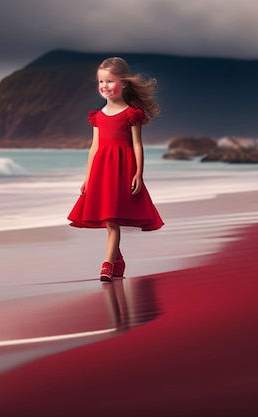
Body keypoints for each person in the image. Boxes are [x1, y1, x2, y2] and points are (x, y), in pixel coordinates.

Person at [68, 57, 164, 281]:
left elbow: (138, 145)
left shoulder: (132, 114)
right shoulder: (98, 116)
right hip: (102, 170)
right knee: (109, 219)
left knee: (113, 220)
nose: (104, 86)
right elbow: (94, 148)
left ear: (124, 83)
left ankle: (107, 265)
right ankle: (117, 260)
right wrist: (88, 177)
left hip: (123, 168)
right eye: (101, 81)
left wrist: (139, 173)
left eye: (110, 81)